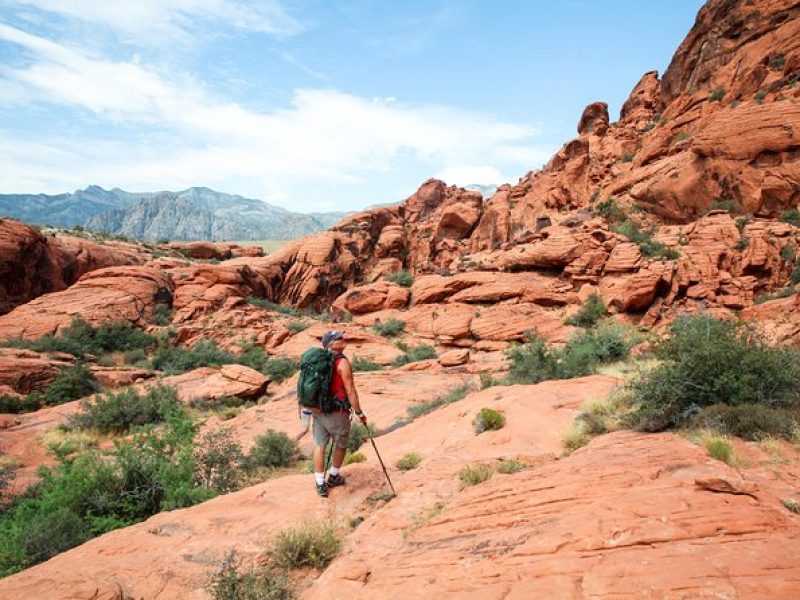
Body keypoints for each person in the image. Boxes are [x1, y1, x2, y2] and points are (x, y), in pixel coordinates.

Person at [311, 330, 367, 497]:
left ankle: (320, 482)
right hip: (337, 411)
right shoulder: (342, 362)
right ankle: (333, 476)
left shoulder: (318, 360)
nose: (343, 339)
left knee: (319, 444)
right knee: (341, 444)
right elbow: (350, 389)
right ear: (331, 344)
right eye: (338, 339)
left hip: (318, 410)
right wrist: (359, 412)